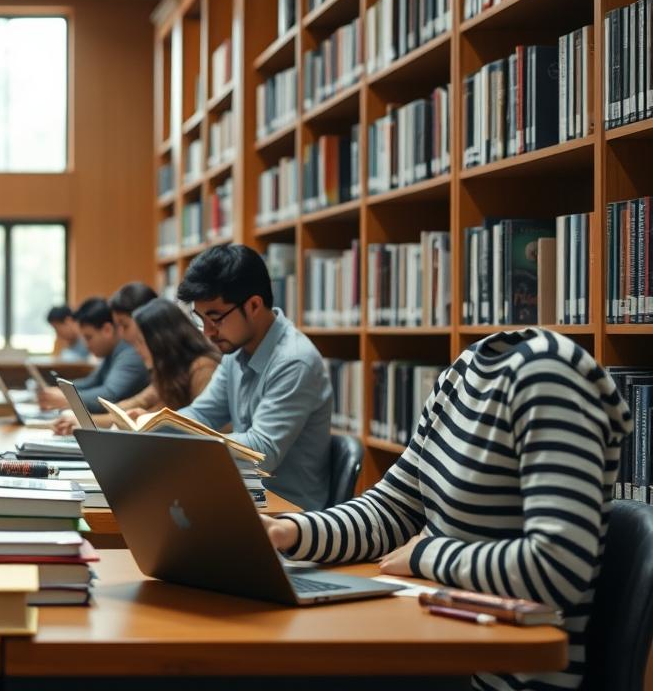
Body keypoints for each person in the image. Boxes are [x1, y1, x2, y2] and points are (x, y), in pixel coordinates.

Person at [260, 328, 630, 691]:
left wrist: (426, 553)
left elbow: (559, 566)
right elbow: (392, 507)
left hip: (501, 675)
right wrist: (290, 531)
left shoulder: (550, 380)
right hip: (439, 646)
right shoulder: (463, 371)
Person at [175, 244, 333, 510]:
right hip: (243, 495)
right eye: (201, 320)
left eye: (216, 319)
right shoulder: (235, 352)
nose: (208, 333)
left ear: (254, 305)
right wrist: (155, 429)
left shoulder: (294, 360)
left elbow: (261, 452)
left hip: (287, 512)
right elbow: (202, 414)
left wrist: (185, 445)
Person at [51, 298, 220, 434]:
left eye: (140, 342)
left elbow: (203, 427)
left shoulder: (202, 368)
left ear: (161, 340)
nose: (137, 350)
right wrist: (84, 420)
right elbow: (136, 404)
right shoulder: (171, 370)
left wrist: (86, 420)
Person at [39, 297, 149, 414]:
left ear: (107, 330)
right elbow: (93, 381)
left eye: (88, 337)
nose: (86, 345)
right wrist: (62, 389)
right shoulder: (112, 351)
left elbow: (110, 395)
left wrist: (68, 399)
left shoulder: (130, 353)